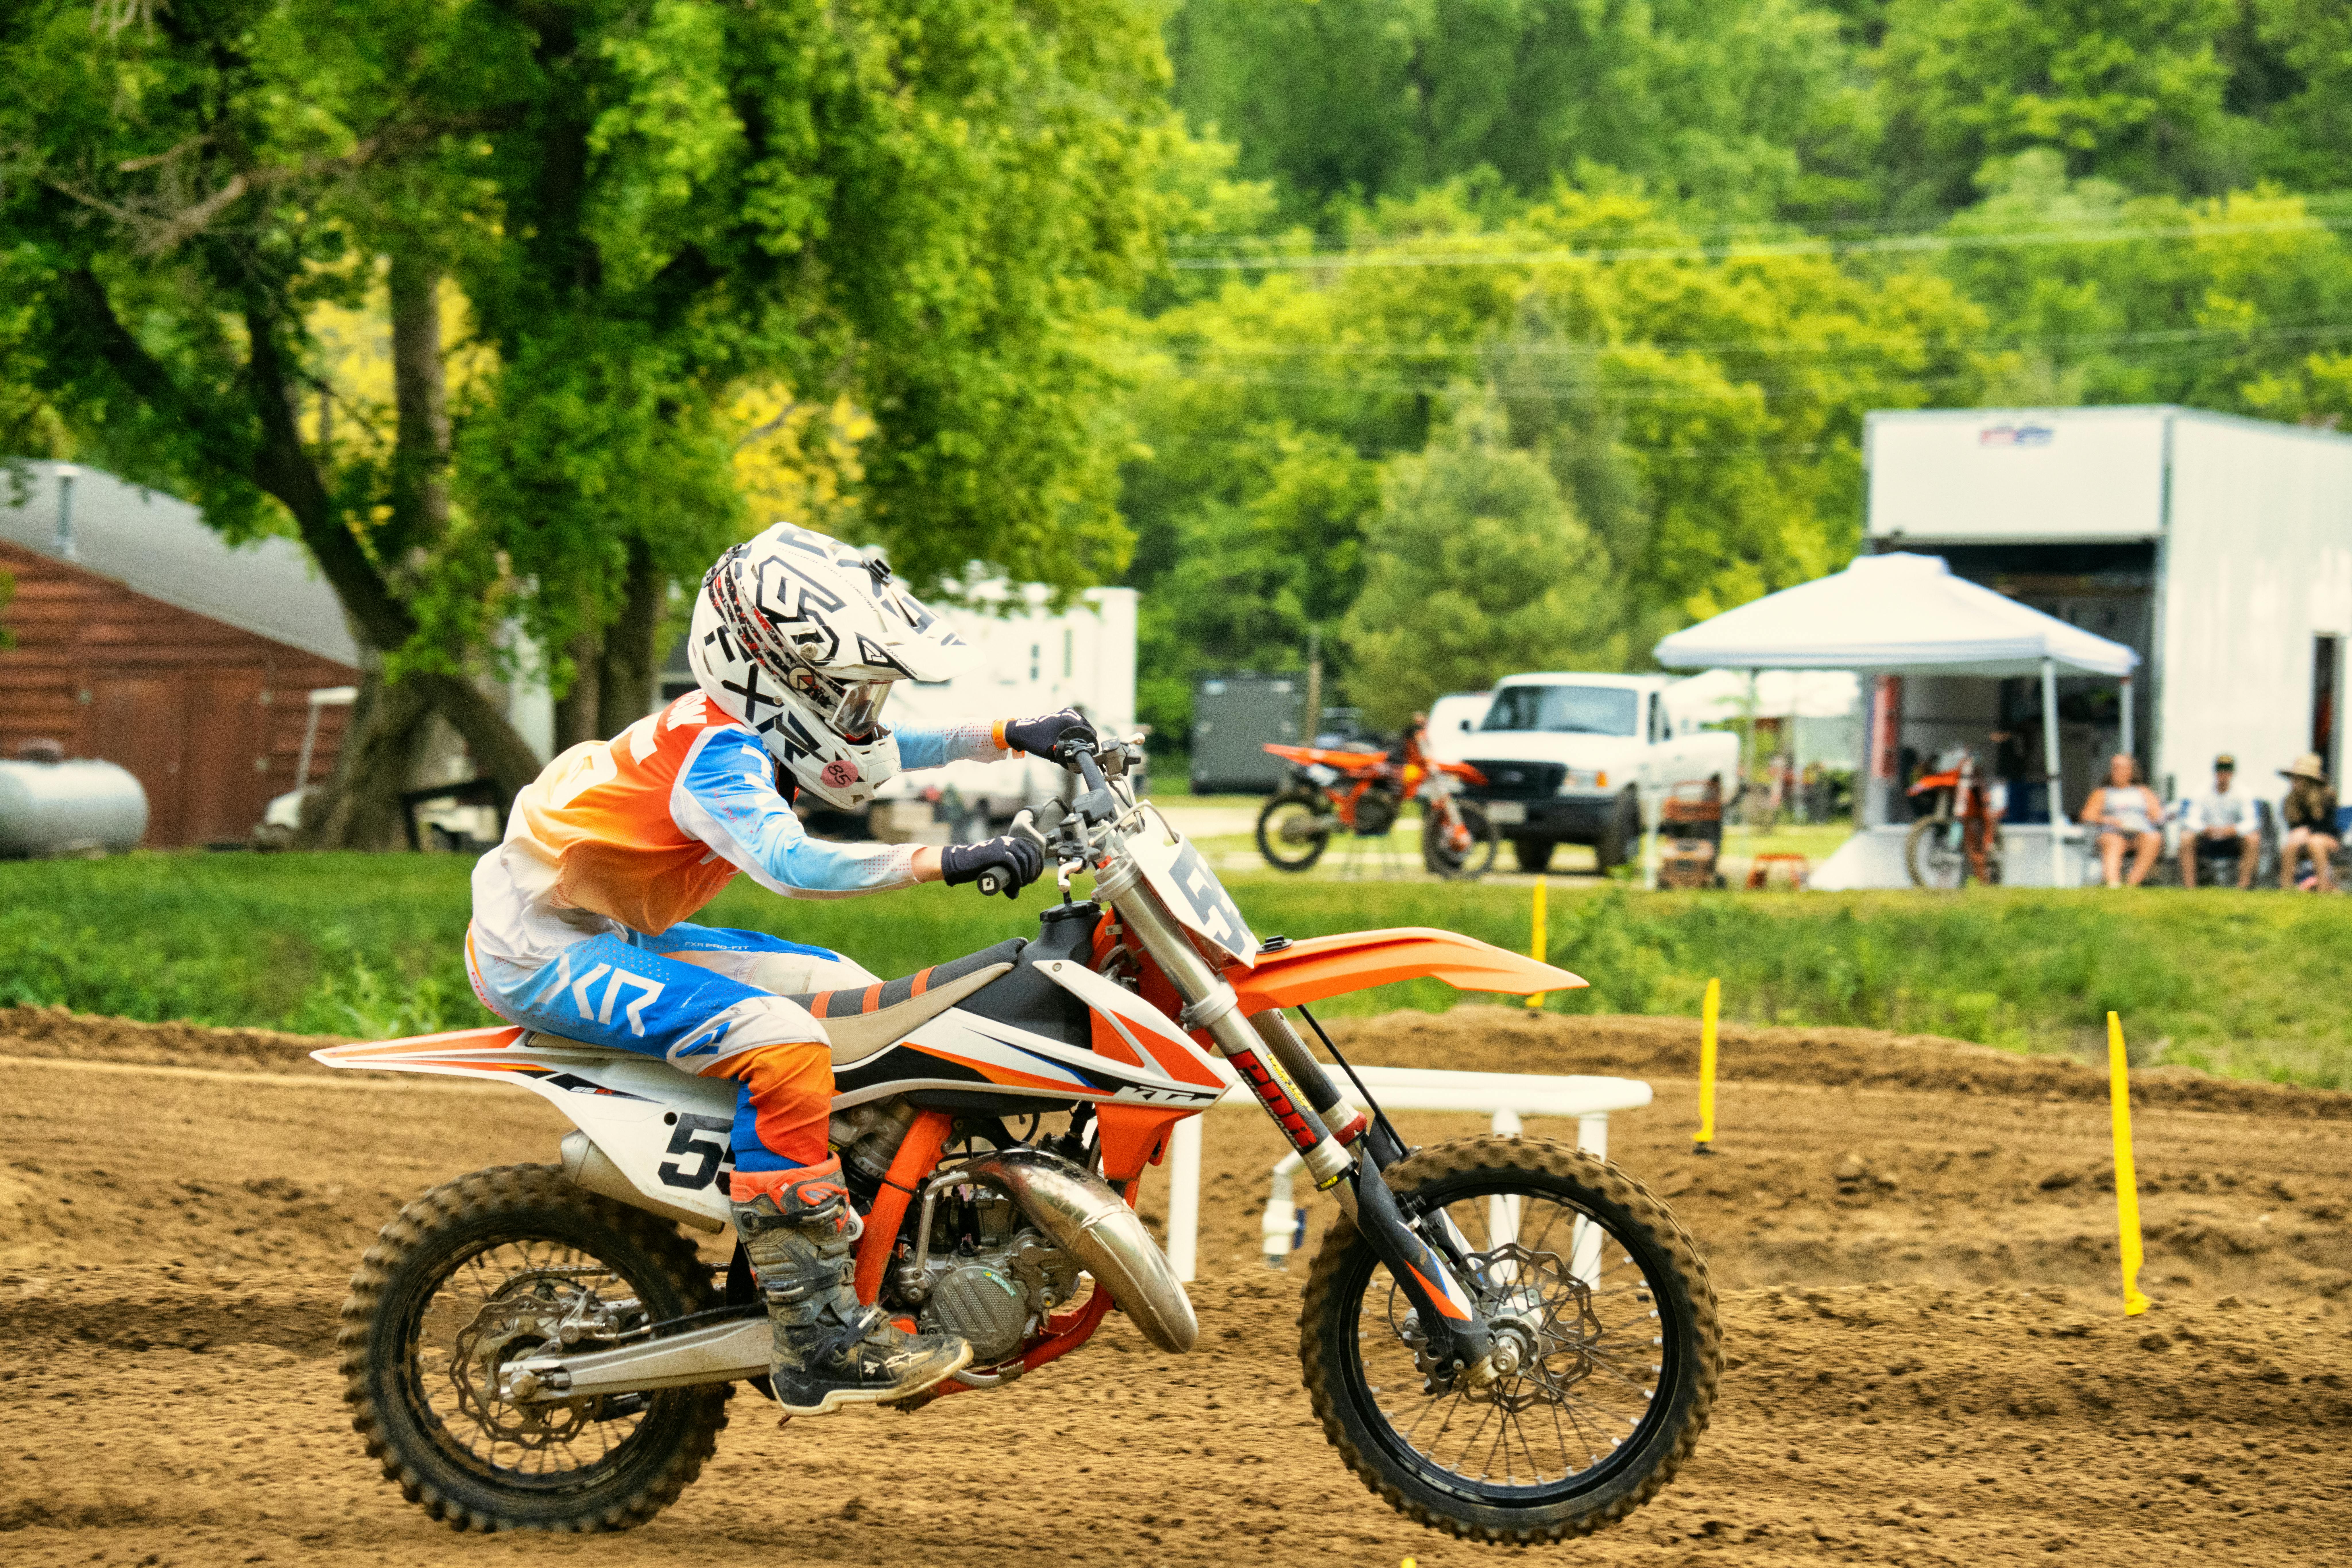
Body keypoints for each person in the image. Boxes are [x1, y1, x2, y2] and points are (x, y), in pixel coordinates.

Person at [465, 521, 1096, 1415]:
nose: (865, 707)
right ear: (780, 674)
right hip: (542, 947)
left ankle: (845, 1201)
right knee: (791, 1045)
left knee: (851, 995)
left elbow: (883, 750)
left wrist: (1006, 732)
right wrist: (946, 859)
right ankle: (817, 1331)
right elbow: (795, 866)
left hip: (599, 924)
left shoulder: (743, 724)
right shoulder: (720, 757)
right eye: (850, 690)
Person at [2081, 753, 2164, 888]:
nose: (2118, 772)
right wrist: (2106, 820)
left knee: (2154, 838)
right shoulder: (2102, 793)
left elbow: (2158, 816)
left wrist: (2152, 817)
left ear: (2131, 771)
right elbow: (2087, 816)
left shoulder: (2143, 792)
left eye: (2123, 768)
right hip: (2112, 834)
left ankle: (2133, 882)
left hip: (2138, 834)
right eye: (2115, 768)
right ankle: (2114, 884)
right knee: (2114, 841)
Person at [2178, 753, 2259, 889]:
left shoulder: (2243, 793)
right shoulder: (2201, 791)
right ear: (2215, 772)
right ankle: (2190, 888)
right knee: (2186, 838)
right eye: (2220, 770)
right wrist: (2205, 829)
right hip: (2206, 840)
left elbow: (2252, 822)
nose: (2224, 774)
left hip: (2232, 841)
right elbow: (2191, 819)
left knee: (2253, 839)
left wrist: (2234, 830)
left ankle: (2243, 887)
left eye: (2227, 770)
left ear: (2233, 773)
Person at [2278, 752, 2341, 893]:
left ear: (2309, 780)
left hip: (2328, 840)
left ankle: (2323, 888)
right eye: (2294, 778)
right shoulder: (2290, 802)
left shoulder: (2327, 797)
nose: (2295, 781)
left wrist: (2307, 832)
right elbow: (2294, 829)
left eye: (2299, 778)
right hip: (2302, 842)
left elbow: (2327, 827)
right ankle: (2286, 889)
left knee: (2315, 843)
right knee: (2290, 846)